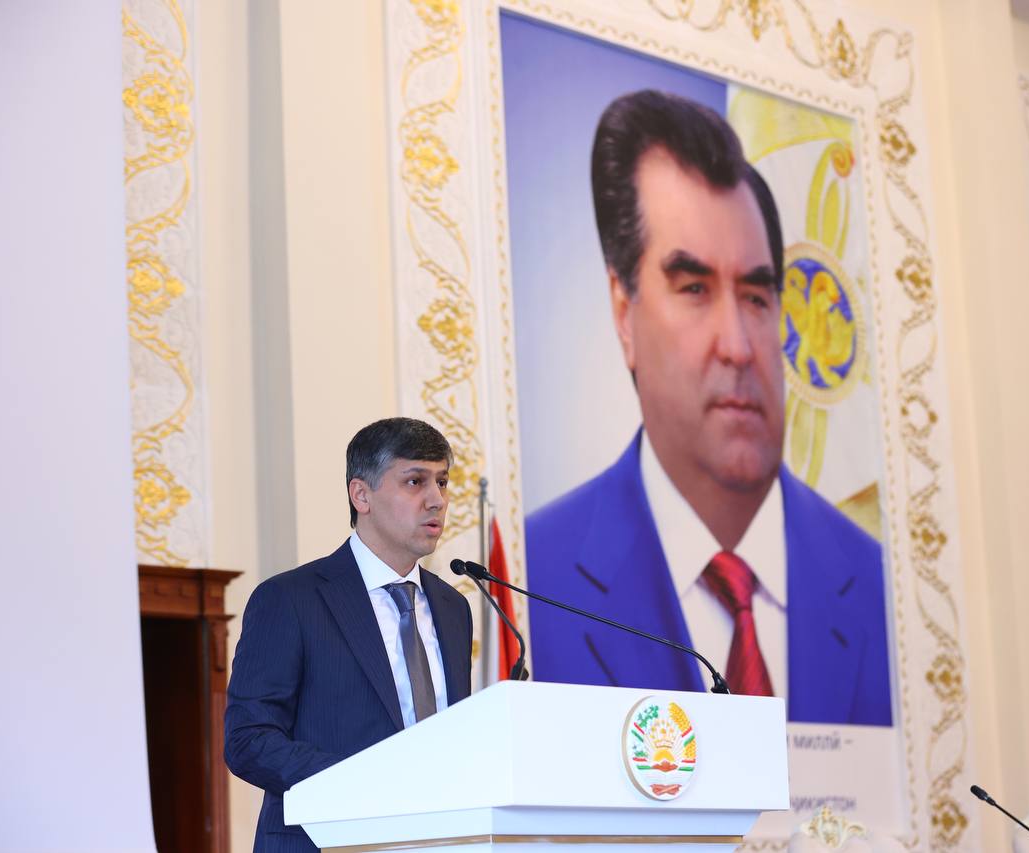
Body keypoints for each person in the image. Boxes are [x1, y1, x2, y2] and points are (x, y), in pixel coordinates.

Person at [525, 89, 891, 726]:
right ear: (623, 312)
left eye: (756, 296)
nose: (739, 347)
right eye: (694, 288)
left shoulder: (881, 588)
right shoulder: (531, 585)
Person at [225, 418, 473, 852]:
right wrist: (363, 782)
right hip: (324, 840)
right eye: (415, 481)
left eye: (442, 482)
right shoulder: (291, 599)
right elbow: (249, 740)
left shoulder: (454, 607)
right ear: (361, 495)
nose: (437, 500)